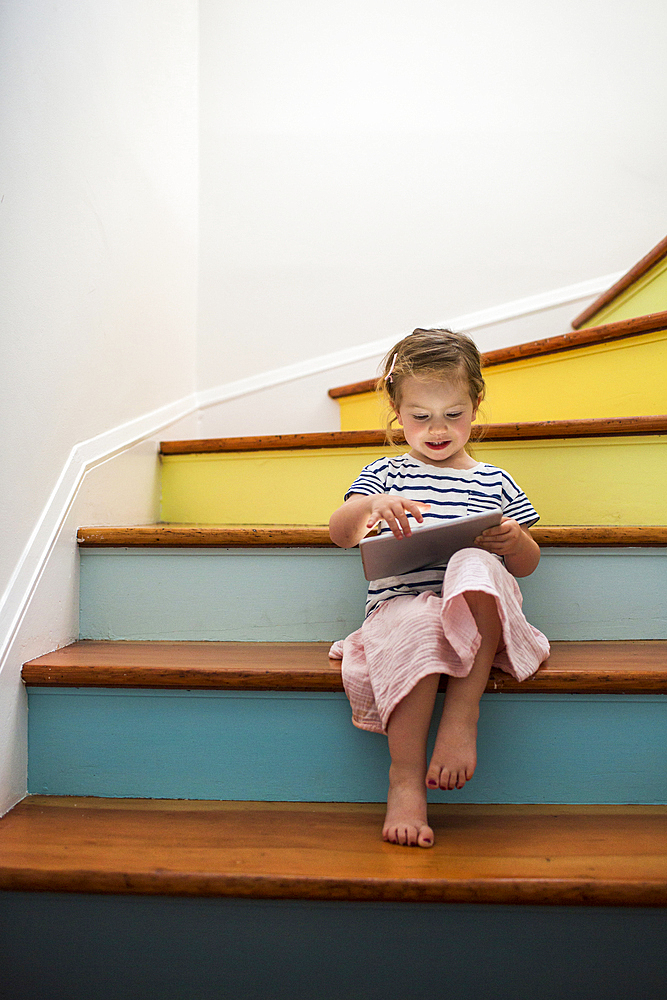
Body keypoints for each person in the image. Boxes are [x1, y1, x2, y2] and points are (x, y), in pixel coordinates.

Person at [328, 328, 550, 848]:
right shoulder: (384, 473)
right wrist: (368, 509)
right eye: (420, 416)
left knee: (474, 559)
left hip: (477, 617)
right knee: (419, 622)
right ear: (397, 412)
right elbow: (340, 533)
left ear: (475, 405)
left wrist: (513, 539)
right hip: (403, 607)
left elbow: (528, 565)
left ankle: (461, 715)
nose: (437, 429)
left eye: (453, 414)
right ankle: (405, 779)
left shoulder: (493, 481)